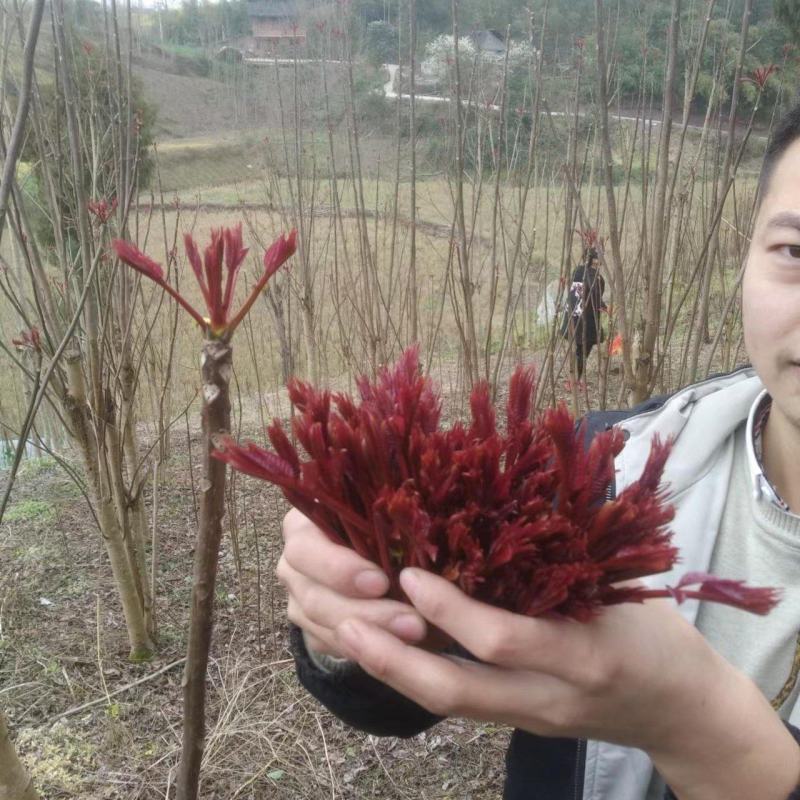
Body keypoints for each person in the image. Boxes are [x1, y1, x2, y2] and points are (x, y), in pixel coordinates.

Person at [276, 102, 800, 800]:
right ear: (747, 256)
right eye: (796, 252)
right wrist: (345, 632)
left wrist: (705, 735)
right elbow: (403, 697)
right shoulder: (602, 469)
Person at [561, 246, 607, 380]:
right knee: (582, 349)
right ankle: (575, 378)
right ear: (594, 260)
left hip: (577, 317)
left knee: (581, 349)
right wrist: (603, 306)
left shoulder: (579, 271)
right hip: (584, 319)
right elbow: (591, 296)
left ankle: (575, 378)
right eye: (599, 257)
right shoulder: (593, 276)